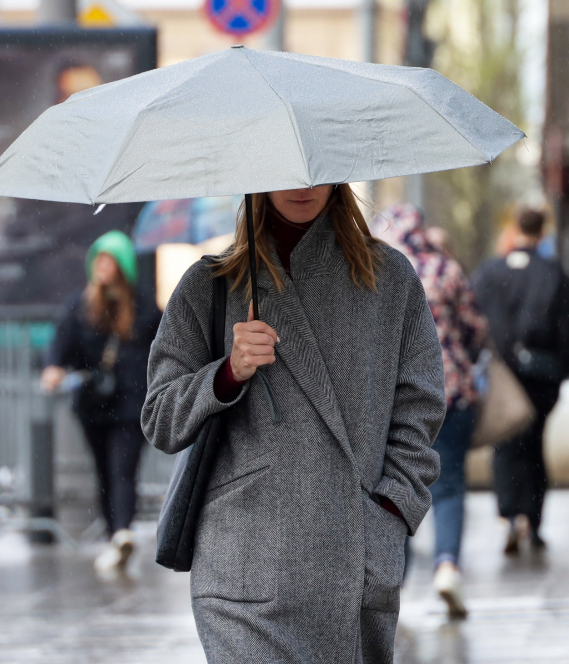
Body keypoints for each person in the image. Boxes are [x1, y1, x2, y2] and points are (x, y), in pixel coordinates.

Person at [141, 185, 445, 664]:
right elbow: (160, 418)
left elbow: (419, 409)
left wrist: (389, 511)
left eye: (315, 173)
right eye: (286, 174)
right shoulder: (212, 284)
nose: (303, 187)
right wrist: (228, 371)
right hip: (242, 571)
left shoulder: (390, 280)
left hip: (353, 563)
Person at [373, 205, 488, 620]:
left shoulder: (376, 274)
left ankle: (395, 582)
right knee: (450, 484)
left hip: (393, 399)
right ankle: (446, 567)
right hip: (451, 392)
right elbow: (476, 327)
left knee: (394, 483)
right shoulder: (446, 270)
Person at [41, 230, 162, 575]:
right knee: (104, 472)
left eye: (109, 261)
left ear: (123, 267)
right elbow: (60, 345)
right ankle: (116, 537)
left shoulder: (143, 306)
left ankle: (122, 531)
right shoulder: (79, 307)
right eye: (99, 260)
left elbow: (164, 347)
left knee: (122, 470)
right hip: (93, 405)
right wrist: (52, 368)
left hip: (133, 405)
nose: (102, 267)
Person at [471, 207, 569, 555]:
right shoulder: (554, 273)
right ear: (543, 230)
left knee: (505, 446)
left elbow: (472, 322)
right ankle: (533, 521)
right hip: (541, 379)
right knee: (534, 446)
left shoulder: (489, 272)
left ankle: (509, 516)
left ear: (514, 229)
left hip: (501, 378)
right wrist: (560, 369)